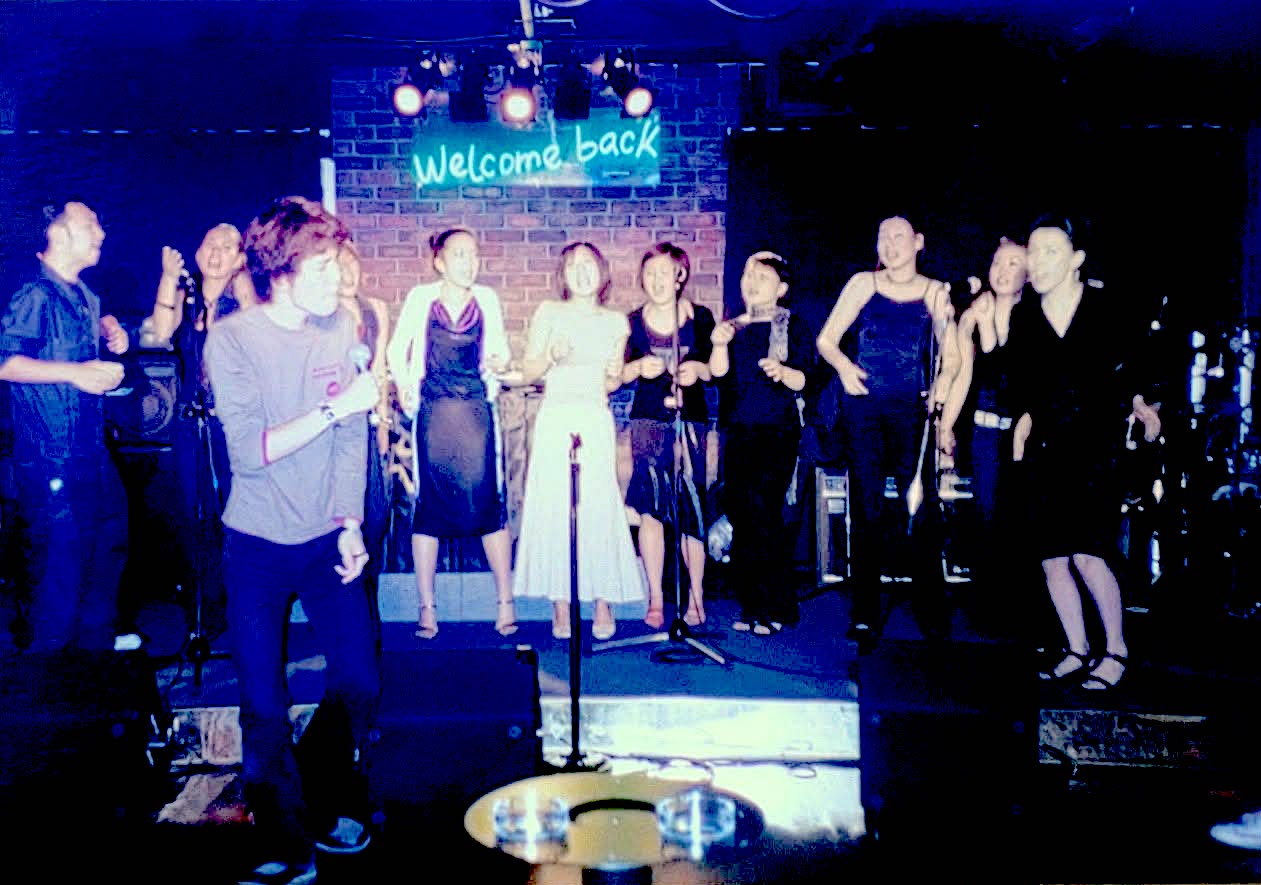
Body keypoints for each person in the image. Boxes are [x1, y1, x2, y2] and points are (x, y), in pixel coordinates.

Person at [204, 196, 382, 885]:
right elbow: (251, 454)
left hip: (324, 538)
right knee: (263, 702)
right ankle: (281, 837)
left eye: (337, 262)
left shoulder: (339, 325)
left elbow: (351, 438)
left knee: (360, 680)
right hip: (255, 544)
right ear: (281, 270)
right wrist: (338, 405)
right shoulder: (233, 339)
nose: (338, 277)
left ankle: (320, 790)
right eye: (322, 265)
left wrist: (349, 522)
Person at [1010, 216, 1160, 689]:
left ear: (1076, 259)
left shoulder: (1105, 308)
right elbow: (1024, 382)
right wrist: (1024, 421)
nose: (1037, 261)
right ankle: (1076, 649)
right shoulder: (1025, 317)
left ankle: (1115, 650)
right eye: (1032, 251)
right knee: (1052, 558)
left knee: (1089, 553)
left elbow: (1135, 366)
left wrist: (1141, 403)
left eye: (1050, 251)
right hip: (1046, 447)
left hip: (1095, 447)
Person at [0, 201, 135, 653]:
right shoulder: (34, 293)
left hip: (91, 453)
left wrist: (110, 331)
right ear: (59, 234)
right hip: (51, 459)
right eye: (91, 223)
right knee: (58, 577)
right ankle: (49, 679)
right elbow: (5, 362)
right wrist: (75, 372)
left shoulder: (84, 296)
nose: (101, 232)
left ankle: (94, 664)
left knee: (105, 554)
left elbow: (68, 345)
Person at [816, 215, 954, 646]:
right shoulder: (863, 283)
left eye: (899, 237)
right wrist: (844, 368)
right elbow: (826, 341)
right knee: (867, 508)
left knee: (922, 510)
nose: (890, 244)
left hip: (911, 411)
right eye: (883, 238)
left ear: (918, 242)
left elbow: (951, 356)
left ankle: (932, 608)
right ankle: (865, 612)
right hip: (865, 410)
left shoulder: (935, 291)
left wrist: (941, 388)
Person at [511, 242, 646, 640]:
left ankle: (602, 599)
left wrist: (616, 373)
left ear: (602, 273)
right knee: (556, 506)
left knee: (598, 506)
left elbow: (610, 383)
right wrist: (551, 355)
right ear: (563, 275)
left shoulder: (616, 322)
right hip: (556, 416)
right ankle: (561, 602)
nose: (581, 271)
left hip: (594, 416)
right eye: (572, 265)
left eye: (588, 264)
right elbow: (529, 371)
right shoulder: (549, 312)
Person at [386, 228, 516, 639]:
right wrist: (404, 384)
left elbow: (501, 350)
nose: (468, 262)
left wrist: (499, 362)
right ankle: (427, 608)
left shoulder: (487, 299)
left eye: (473, 254)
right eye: (459, 254)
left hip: (475, 411)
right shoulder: (420, 298)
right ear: (439, 261)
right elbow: (396, 350)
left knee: (488, 502)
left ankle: (505, 604)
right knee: (429, 507)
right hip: (434, 412)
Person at [141, 223, 256, 640]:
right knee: (193, 517)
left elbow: (257, 340)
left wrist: (241, 287)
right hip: (191, 423)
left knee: (237, 516)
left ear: (240, 258)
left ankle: (245, 610)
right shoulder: (186, 298)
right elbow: (159, 333)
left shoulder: (245, 300)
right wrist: (168, 278)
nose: (217, 252)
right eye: (211, 244)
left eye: (228, 247)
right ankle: (203, 616)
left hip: (234, 426)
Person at [710, 251, 815, 634]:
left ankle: (775, 605)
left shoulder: (792, 325)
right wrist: (718, 345)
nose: (752, 282)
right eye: (748, 275)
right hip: (738, 431)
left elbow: (806, 379)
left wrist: (783, 371)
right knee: (741, 513)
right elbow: (718, 376)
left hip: (777, 432)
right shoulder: (731, 327)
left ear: (781, 288)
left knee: (764, 512)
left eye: (763, 277)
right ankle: (752, 605)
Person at [937, 239, 1032, 631]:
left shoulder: (1037, 315)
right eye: (998, 262)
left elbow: (1015, 370)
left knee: (1023, 520)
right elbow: (963, 375)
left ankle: (1027, 612)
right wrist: (945, 425)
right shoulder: (973, 315)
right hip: (986, 432)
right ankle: (988, 609)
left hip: (1027, 433)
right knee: (987, 517)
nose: (1003, 270)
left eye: (1014, 263)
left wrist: (990, 324)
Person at [623, 242, 715, 629]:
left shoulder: (700, 317)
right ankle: (656, 599)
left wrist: (698, 371)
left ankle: (696, 596)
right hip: (648, 423)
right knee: (651, 510)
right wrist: (636, 369)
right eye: (650, 274)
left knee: (692, 508)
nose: (656, 280)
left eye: (664, 272)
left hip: (689, 422)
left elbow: (716, 370)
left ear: (680, 275)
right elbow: (617, 374)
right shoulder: (631, 322)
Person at [336, 242, 393, 638]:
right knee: (341, 524)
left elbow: (381, 369)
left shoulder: (375, 309)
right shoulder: (322, 318)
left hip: (369, 430)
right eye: (338, 265)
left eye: (352, 263)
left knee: (374, 518)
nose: (346, 272)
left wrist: (384, 421)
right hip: (336, 432)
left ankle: (368, 620)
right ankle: (348, 624)